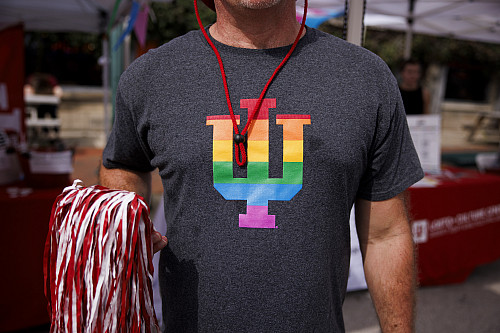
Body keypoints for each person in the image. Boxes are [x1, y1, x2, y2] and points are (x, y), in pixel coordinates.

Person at [100, 0, 424, 331]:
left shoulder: (365, 78)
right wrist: (128, 215)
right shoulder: (151, 76)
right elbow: (124, 162)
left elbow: (385, 235)